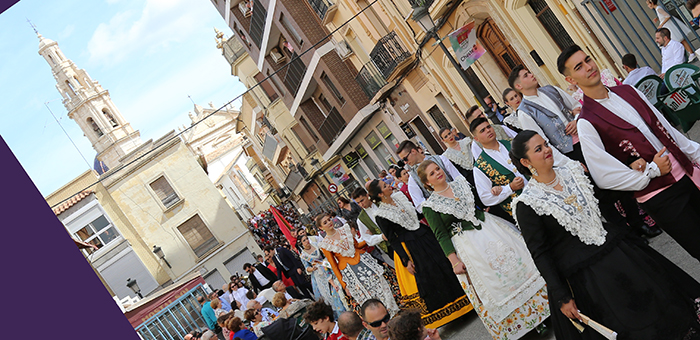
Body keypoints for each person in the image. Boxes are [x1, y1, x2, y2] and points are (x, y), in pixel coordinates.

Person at [510, 130, 700, 339]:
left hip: (615, 249)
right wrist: (562, 296)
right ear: (525, 162)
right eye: (538, 149)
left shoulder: (572, 170)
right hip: (584, 277)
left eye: (546, 144)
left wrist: (632, 171)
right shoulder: (527, 204)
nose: (547, 150)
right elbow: (540, 253)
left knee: (659, 304)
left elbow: (604, 196)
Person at [559, 44, 700, 261]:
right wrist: (651, 171)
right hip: (661, 196)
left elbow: (665, 128)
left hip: (688, 173)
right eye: (579, 67)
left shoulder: (628, 91)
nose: (588, 67)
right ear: (571, 80)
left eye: (588, 60)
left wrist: (695, 153)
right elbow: (603, 175)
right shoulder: (587, 122)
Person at [418, 159, 550, 339]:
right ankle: (525, 326)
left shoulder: (462, 184)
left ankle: (544, 314)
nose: (437, 173)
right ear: (427, 183)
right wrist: (454, 261)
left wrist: (494, 190)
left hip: (490, 228)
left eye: (437, 169)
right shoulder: (430, 206)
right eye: (432, 174)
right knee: (499, 283)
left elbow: (481, 199)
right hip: (468, 246)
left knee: (519, 268)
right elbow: (441, 235)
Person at [368, 179, 471, 329]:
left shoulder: (399, 197)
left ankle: (466, 302)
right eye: (385, 186)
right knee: (430, 275)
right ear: (380, 194)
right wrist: (405, 260)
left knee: (444, 264)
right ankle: (451, 312)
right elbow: (392, 239)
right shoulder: (380, 214)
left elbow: (416, 215)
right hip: (411, 246)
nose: (389, 185)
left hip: (424, 235)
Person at [316, 213, 401, 315]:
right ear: (321, 228)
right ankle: (380, 315)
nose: (329, 223)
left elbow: (356, 245)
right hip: (350, 271)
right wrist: (344, 285)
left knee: (381, 283)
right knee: (366, 294)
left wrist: (374, 238)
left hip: (364, 261)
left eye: (329, 219)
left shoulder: (345, 230)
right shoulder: (325, 244)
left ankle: (393, 310)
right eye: (325, 222)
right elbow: (333, 265)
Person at [509, 64, 583, 162]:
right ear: (519, 86)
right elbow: (541, 143)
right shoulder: (524, 113)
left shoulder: (551, 89)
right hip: (569, 153)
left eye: (529, 72)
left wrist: (577, 120)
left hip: (585, 134)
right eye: (526, 75)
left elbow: (577, 106)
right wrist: (569, 163)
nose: (531, 75)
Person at [396, 140, 463, 211]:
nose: (405, 162)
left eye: (405, 159)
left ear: (413, 151)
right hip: (446, 213)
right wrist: (433, 203)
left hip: (461, 199)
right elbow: (419, 206)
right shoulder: (413, 178)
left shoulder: (440, 159)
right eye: (403, 161)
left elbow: (459, 179)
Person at [297, 234, 349, 313]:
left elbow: (324, 254)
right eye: (304, 240)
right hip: (319, 274)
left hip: (327, 267)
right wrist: (312, 268)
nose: (307, 241)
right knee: (328, 294)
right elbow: (306, 267)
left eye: (306, 239)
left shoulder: (315, 245)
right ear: (301, 244)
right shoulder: (303, 255)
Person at [439, 127, 488, 212]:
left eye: (449, 133)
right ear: (443, 140)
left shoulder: (466, 142)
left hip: (482, 170)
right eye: (446, 136)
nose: (449, 137)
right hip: (470, 179)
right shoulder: (447, 156)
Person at [351, 187, 394, 264]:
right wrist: (381, 237)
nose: (361, 204)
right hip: (389, 246)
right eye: (358, 203)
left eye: (362, 200)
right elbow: (368, 239)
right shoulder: (361, 219)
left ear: (367, 195)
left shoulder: (380, 203)